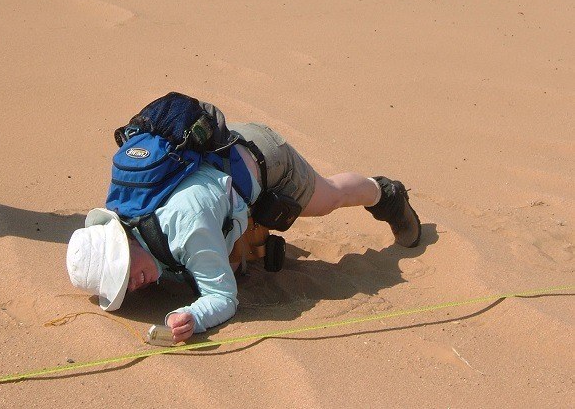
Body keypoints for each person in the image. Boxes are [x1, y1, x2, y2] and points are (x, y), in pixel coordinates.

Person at [66, 122, 421, 343]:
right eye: (121, 286)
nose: (132, 286)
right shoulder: (128, 213)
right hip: (219, 166)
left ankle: (385, 194)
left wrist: (195, 317)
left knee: (329, 197)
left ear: (126, 244)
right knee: (233, 253)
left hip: (264, 156)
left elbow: (223, 298)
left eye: (125, 274)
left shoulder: (188, 229)